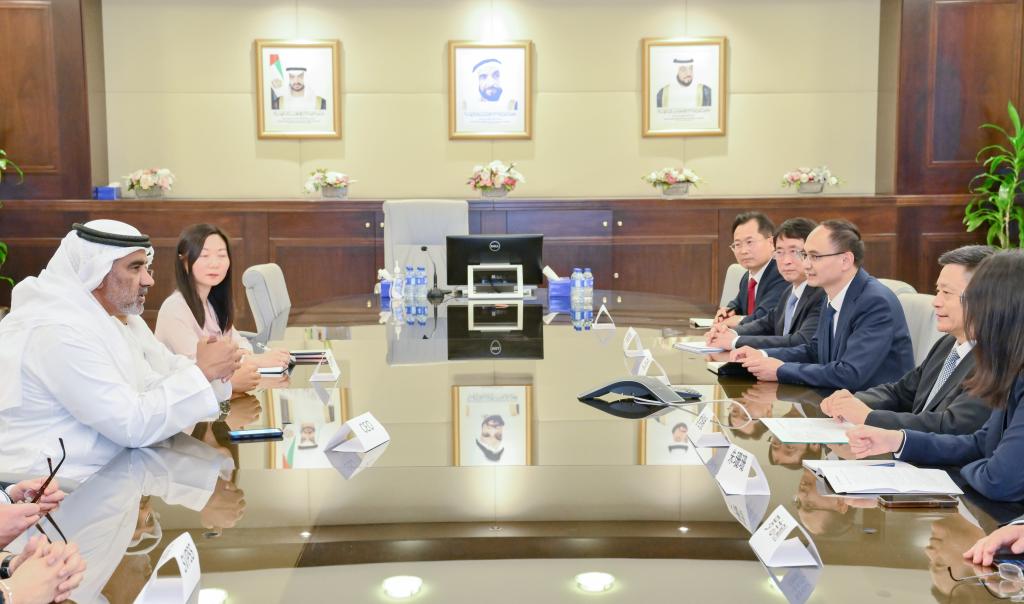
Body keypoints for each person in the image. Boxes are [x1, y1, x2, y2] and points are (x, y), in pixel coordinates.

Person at [0, 220, 243, 478]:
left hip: (106, 475)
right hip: (57, 487)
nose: (149, 280)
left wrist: (211, 371)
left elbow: (148, 383)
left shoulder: (104, 321)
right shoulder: (59, 331)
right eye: (135, 268)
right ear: (96, 273)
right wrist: (202, 373)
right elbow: (131, 425)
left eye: (146, 267)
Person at [846, 250, 1024, 502]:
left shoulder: (1001, 365)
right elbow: (980, 443)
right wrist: (898, 441)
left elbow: (997, 480)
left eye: (979, 301)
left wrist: (971, 468)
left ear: (1007, 309)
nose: (975, 311)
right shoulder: (1005, 362)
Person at [820, 245, 995, 432]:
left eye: (947, 293)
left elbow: (951, 425)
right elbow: (901, 392)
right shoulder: (947, 344)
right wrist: (853, 401)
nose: (936, 302)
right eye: (938, 291)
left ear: (983, 299)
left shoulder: (994, 362)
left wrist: (869, 417)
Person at [734, 219, 915, 391]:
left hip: (872, 406)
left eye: (815, 257)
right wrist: (763, 355)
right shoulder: (832, 295)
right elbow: (814, 351)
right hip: (837, 398)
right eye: (805, 255)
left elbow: (850, 373)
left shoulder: (875, 302)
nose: (806, 264)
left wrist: (780, 370)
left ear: (845, 260)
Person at [155, 223, 290, 393]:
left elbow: (241, 343)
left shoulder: (212, 303)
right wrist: (258, 361)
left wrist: (240, 357)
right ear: (185, 262)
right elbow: (201, 369)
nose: (214, 263)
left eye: (221, 255)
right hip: (184, 399)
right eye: (204, 255)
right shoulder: (174, 309)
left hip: (216, 396)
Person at [707, 217, 824, 351]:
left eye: (794, 252)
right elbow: (767, 323)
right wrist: (730, 333)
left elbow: (801, 341)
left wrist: (735, 341)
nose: (786, 261)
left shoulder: (822, 294)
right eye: (779, 252)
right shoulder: (790, 292)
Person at [714, 212, 788, 328]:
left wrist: (739, 320)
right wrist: (728, 310)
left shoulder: (781, 273)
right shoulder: (747, 277)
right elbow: (738, 302)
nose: (743, 251)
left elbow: (764, 317)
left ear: (771, 243)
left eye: (750, 242)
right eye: (737, 244)